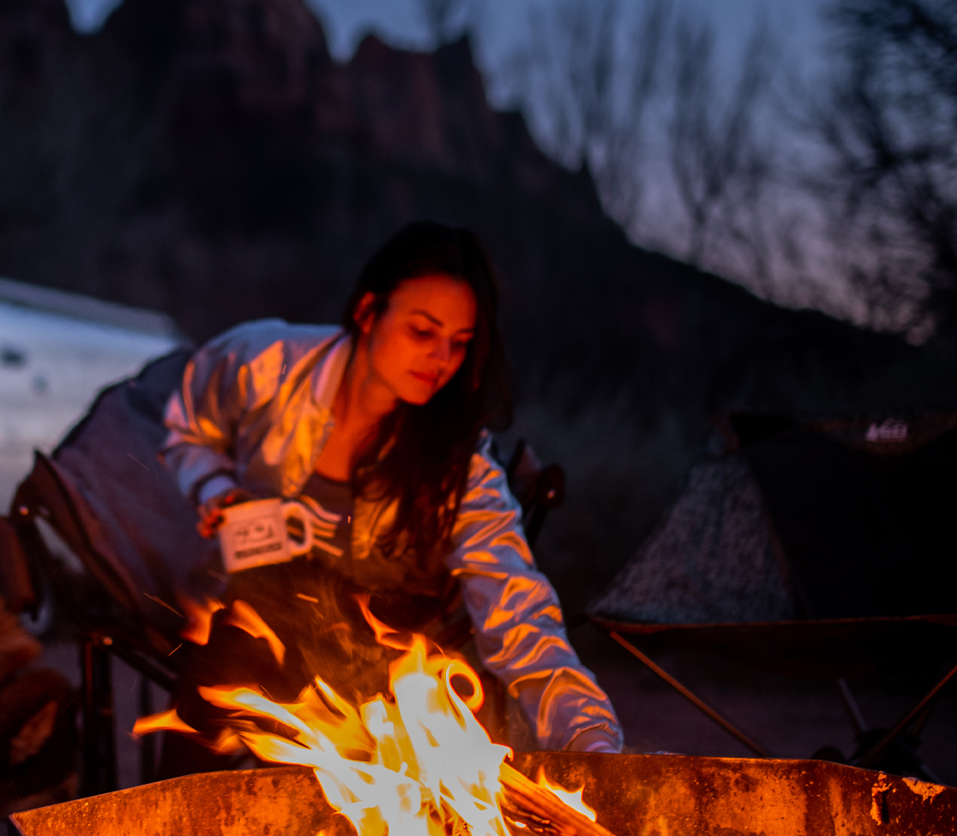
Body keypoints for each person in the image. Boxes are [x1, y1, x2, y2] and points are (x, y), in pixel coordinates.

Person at [159, 222, 622, 758]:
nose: (441, 360)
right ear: (367, 312)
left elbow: (517, 609)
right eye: (422, 332)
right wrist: (215, 487)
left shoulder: (457, 460)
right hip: (252, 622)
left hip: (372, 659)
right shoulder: (263, 364)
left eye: (459, 343)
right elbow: (189, 431)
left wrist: (590, 737)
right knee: (221, 672)